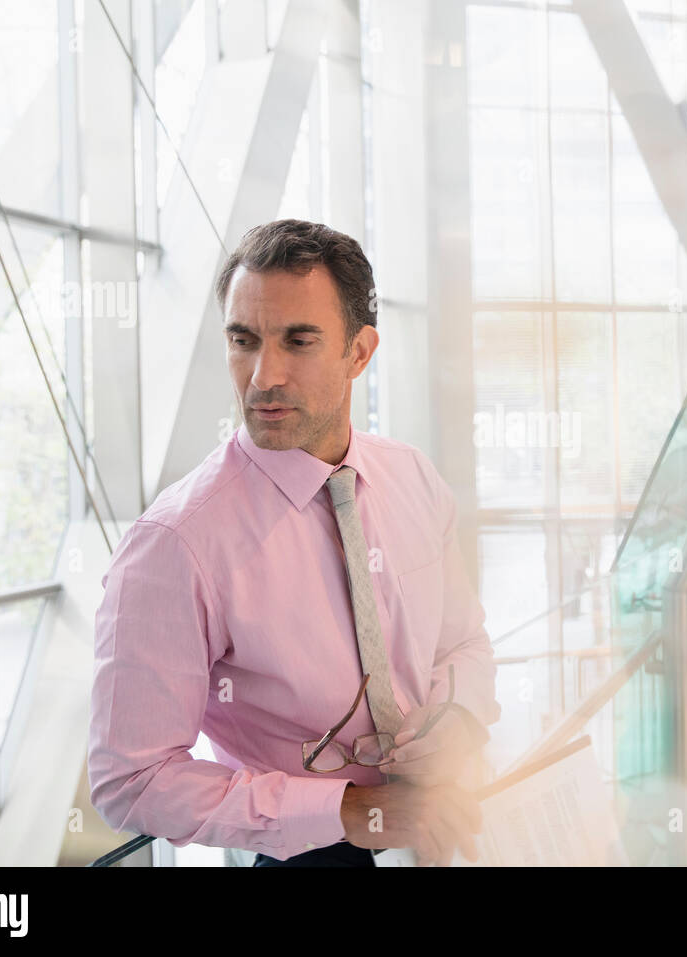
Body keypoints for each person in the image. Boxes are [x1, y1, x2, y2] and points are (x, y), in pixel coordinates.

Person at [88, 220, 500, 867]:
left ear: (359, 353)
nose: (263, 376)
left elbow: (463, 641)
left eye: (297, 341)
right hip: (311, 857)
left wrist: (460, 716)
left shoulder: (412, 477)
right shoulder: (174, 543)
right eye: (243, 341)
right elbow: (131, 779)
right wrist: (348, 810)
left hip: (456, 821)